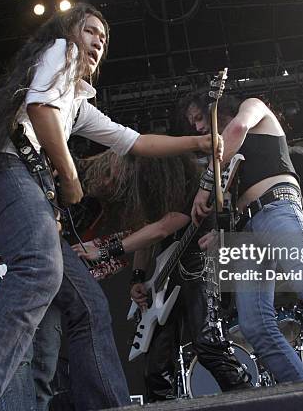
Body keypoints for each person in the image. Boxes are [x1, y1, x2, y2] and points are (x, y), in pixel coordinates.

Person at [0, 3, 221, 411]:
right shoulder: (59, 50)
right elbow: (39, 109)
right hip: (3, 172)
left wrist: (196, 143)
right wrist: (69, 177)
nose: (97, 42)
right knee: (39, 269)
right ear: (70, 33)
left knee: (90, 307)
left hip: (26, 188)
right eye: (90, 31)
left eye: (103, 39)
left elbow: (134, 142)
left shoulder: (78, 105)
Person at [183, 91, 303, 383]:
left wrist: (206, 185)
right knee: (254, 324)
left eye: (199, 118)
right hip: (246, 230)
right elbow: (235, 204)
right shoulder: (227, 158)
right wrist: (219, 236)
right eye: (193, 123)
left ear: (214, 107)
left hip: (277, 208)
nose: (198, 127)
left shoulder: (252, 107)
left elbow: (237, 128)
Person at [73, 151, 251, 401]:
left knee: (208, 344)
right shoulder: (151, 194)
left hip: (198, 262)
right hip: (167, 276)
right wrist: (137, 278)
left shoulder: (193, 184)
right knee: (156, 368)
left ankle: (253, 400)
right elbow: (147, 232)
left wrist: (104, 250)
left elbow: (163, 228)